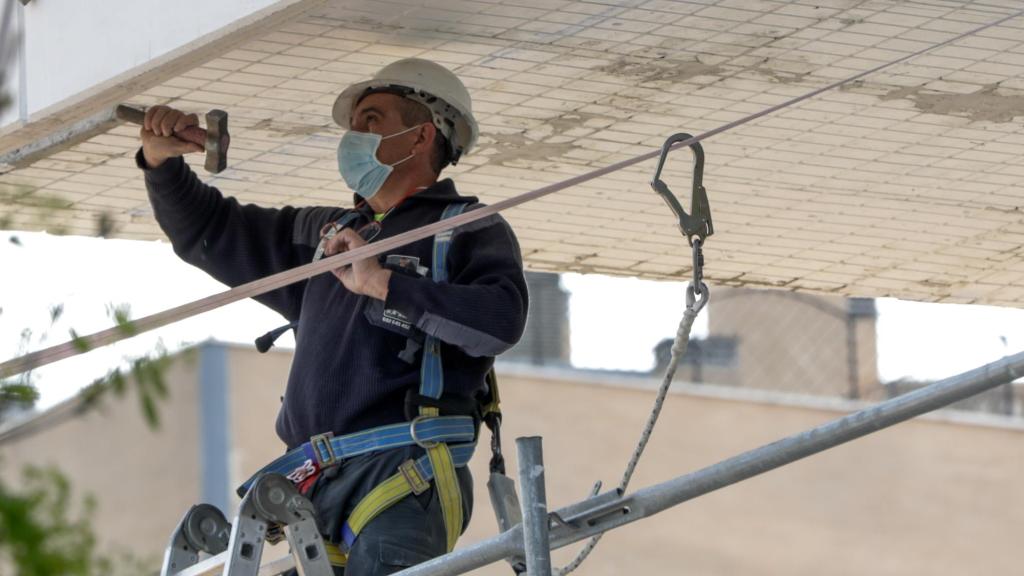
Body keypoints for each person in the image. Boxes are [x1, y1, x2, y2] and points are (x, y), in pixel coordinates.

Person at [136, 58, 528, 574]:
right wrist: (161, 162)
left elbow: (499, 321)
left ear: (420, 137)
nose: (353, 136)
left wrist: (385, 284)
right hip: (314, 486)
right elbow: (211, 231)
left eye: (371, 120)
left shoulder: (464, 229)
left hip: (403, 474)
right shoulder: (324, 236)